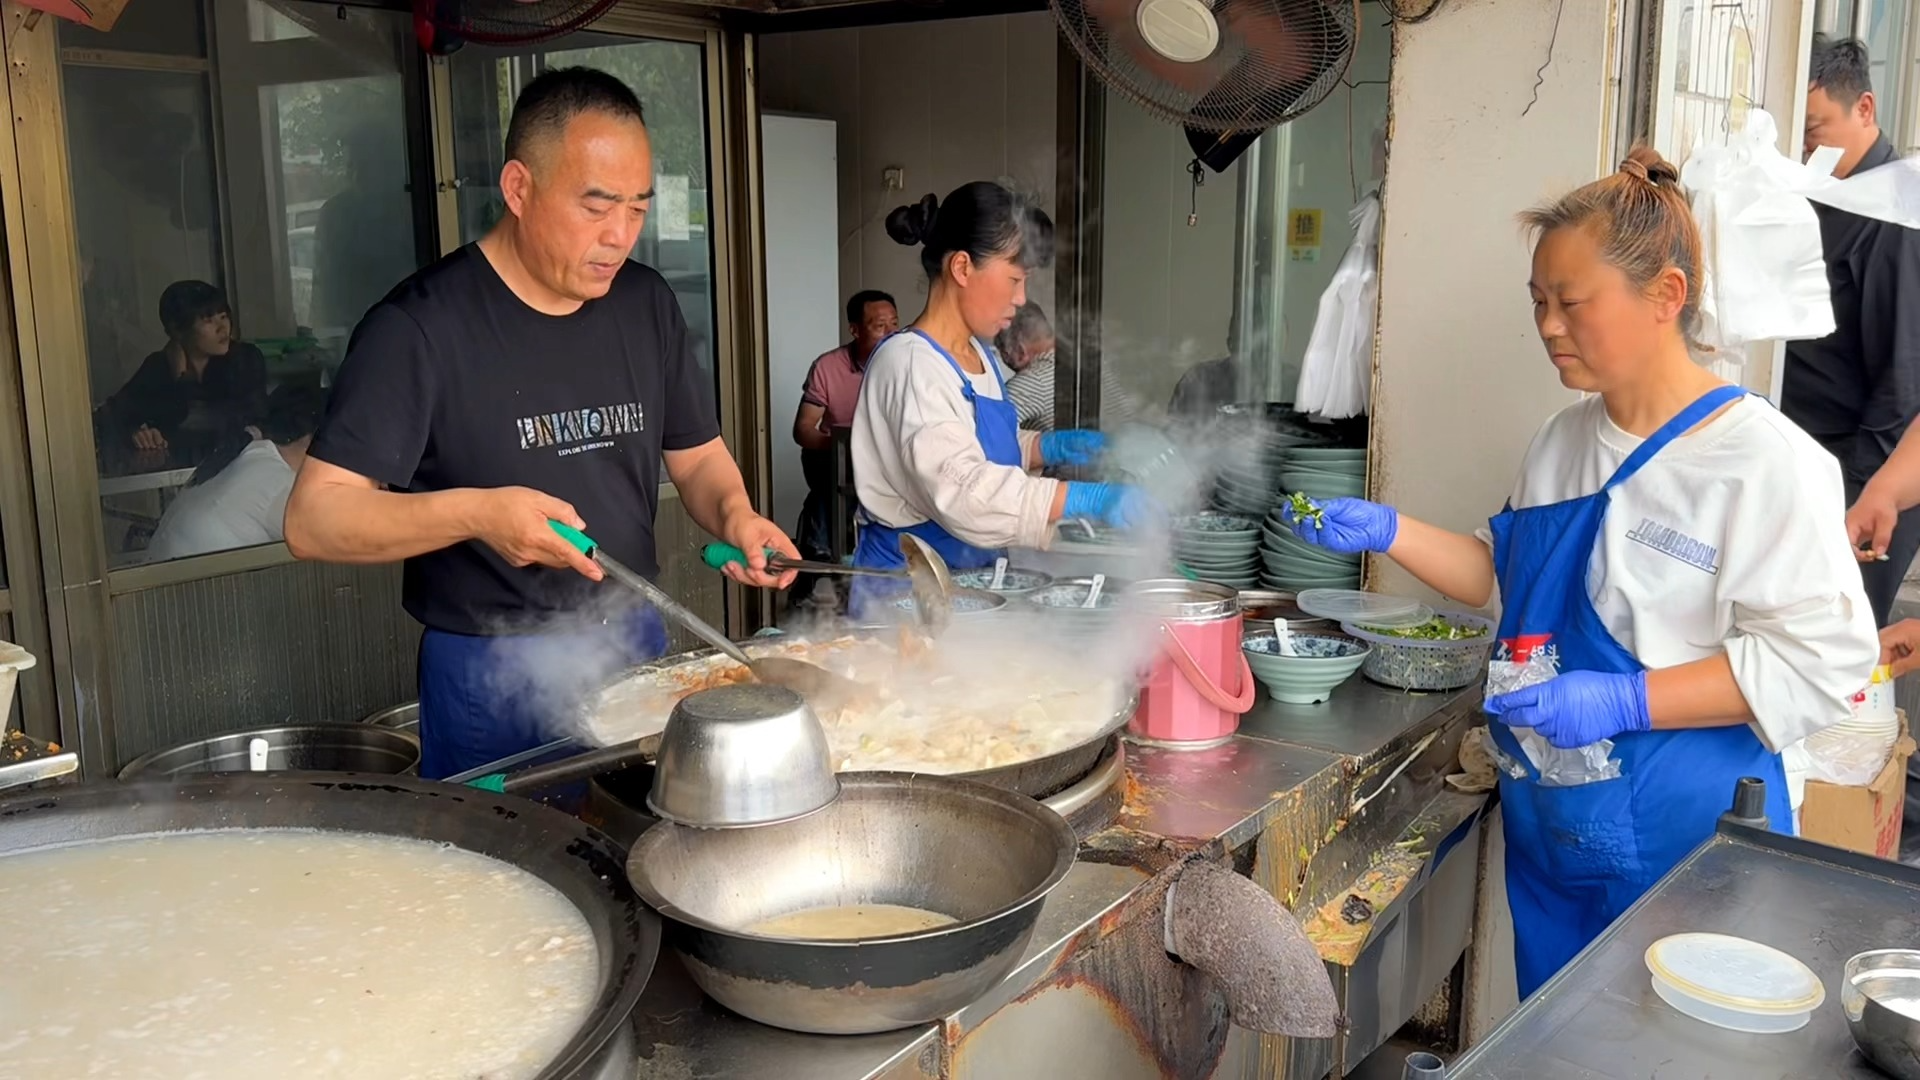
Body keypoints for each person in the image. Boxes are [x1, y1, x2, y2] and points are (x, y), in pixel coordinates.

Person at [1284, 148, 1879, 997]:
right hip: (1557, 837)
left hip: (1688, 847)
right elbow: (1499, 574)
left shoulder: (1764, 463)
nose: (1549, 326)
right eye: (1538, 303)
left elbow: (1824, 662)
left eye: (1572, 303)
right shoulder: (1564, 440)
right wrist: (1389, 529)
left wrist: (1623, 700)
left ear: (1666, 296)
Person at [284, 68, 797, 779]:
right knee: (506, 873)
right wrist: (480, 514)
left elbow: (698, 455)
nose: (619, 236)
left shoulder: (644, 305)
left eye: (638, 208)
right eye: (596, 206)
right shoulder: (420, 328)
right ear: (519, 188)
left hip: (633, 639)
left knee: (638, 857)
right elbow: (314, 520)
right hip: (492, 669)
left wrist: (738, 516)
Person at [847, 184, 1154, 611]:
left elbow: (975, 444)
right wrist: (1086, 498)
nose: (1021, 298)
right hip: (909, 594)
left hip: (973, 583)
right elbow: (967, 492)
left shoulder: (982, 356)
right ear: (961, 267)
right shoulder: (911, 365)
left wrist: (1045, 446)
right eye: (1014, 278)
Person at [1782, 36, 1920, 627]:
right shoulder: (1822, 192)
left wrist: (1867, 497)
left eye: (1814, 130)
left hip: (1866, 478)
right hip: (1806, 464)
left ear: (1864, 109)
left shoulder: (1895, 217)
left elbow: (1903, 382)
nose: (1803, 147)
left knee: (1838, 640)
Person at [145, 382, 326, 562]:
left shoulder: (251, 453)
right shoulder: (281, 484)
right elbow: (334, 546)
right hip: (187, 585)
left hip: (162, 578)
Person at [94, 280, 268, 463]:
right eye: (208, 320)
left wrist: (181, 378)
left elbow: (235, 420)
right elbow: (113, 416)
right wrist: (138, 431)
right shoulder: (158, 366)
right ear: (177, 330)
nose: (222, 328)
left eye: (223, 317)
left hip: (240, 468)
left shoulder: (244, 359)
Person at [792, 289, 896, 595]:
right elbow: (804, 430)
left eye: (895, 324)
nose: (891, 334)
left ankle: (820, 549)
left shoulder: (908, 364)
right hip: (841, 461)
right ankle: (826, 555)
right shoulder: (828, 367)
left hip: (892, 463)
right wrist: (847, 445)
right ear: (855, 329)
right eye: (880, 326)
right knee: (832, 476)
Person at [997, 301, 1138, 431]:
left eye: (1003, 353)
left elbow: (989, 439)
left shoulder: (1031, 382)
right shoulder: (1093, 362)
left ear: (1020, 351)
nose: (1006, 361)